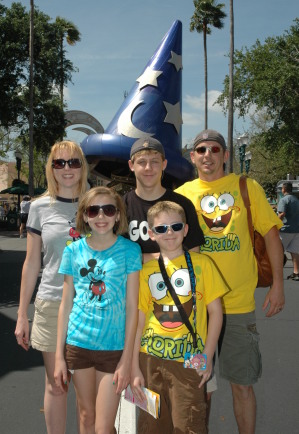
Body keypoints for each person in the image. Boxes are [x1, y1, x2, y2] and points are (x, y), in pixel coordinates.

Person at [175, 129, 285, 434]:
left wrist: (279, 284)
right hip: (196, 311)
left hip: (237, 306)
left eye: (214, 149)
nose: (207, 155)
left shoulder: (246, 188)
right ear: (192, 157)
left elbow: (271, 236)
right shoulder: (182, 195)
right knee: (199, 389)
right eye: (200, 150)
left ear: (225, 155)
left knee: (242, 387)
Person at [130, 200, 228, 433]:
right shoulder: (145, 271)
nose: (169, 232)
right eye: (161, 229)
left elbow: (216, 313)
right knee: (151, 425)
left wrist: (207, 355)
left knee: (189, 424)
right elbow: (140, 318)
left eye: (175, 226)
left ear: (185, 230)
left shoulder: (203, 264)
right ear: (151, 234)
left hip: (189, 361)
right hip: (149, 360)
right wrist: (133, 365)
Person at [15, 140, 89, 434]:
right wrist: (22, 314)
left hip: (90, 308)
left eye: (73, 162)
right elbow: (32, 263)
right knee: (57, 384)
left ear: (82, 166)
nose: (67, 169)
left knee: (87, 392)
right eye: (60, 163)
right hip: (50, 303)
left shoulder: (97, 202)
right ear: (51, 168)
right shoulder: (39, 207)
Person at [54, 186, 142, 433]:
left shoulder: (129, 250)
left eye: (108, 210)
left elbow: (133, 307)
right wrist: (60, 356)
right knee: (85, 417)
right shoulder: (73, 251)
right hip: (79, 343)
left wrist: (127, 360)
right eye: (94, 210)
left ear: (117, 215)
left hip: (113, 348)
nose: (101, 216)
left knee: (104, 428)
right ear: (84, 216)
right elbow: (66, 304)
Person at [277, 181, 299, 281]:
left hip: (285, 230)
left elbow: (281, 214)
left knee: (278, 251)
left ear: (283, 189)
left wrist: (276, 224)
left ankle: (277, 274)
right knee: (294, 252)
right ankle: (296, 273)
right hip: (296, 230)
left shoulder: (283, 200)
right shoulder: (296, 200)